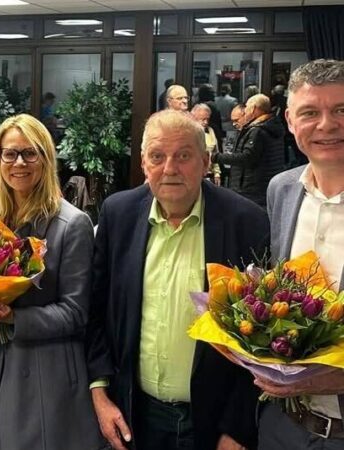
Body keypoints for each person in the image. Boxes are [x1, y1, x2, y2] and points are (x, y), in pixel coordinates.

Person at [87, 109, 269, 450]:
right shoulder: (117, 215)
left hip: (215, 425)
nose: (169, 168)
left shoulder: (248, 222)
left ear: (205, 160)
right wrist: (100, 391)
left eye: (183, 155)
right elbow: (97, 311)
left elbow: (262, 337)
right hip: (134, 415)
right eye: (158, 156)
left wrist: (239, 427)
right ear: (144, 163)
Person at [0, 114, 101, 450]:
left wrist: (11, 319)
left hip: (47, 376)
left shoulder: (72, 224)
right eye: (10, 153)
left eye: (30, 153)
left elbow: (75, 313)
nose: (19, 163)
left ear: (46, 158)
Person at [257, 59, 344, 449]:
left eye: (341, 110)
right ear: (291, 122)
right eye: (310, 112)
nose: (326, 125)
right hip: (285, 426)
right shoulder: (282, 190)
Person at [212, 93, 285, 208]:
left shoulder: (257, 131)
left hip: (252, 188)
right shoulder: (272, 127)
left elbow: (247, 157)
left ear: (254, 109)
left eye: (247, 106)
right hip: (263, 185)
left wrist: (215, 157)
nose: (245, 110)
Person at [190, 104, 221, 185]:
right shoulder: (188, 133)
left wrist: (217, 173)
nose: (206, 122)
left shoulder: (211, 131)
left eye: (207, 119)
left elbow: (215, 153)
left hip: (209, 175)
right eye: (203, 119)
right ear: (194, 118)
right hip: (194, 175)